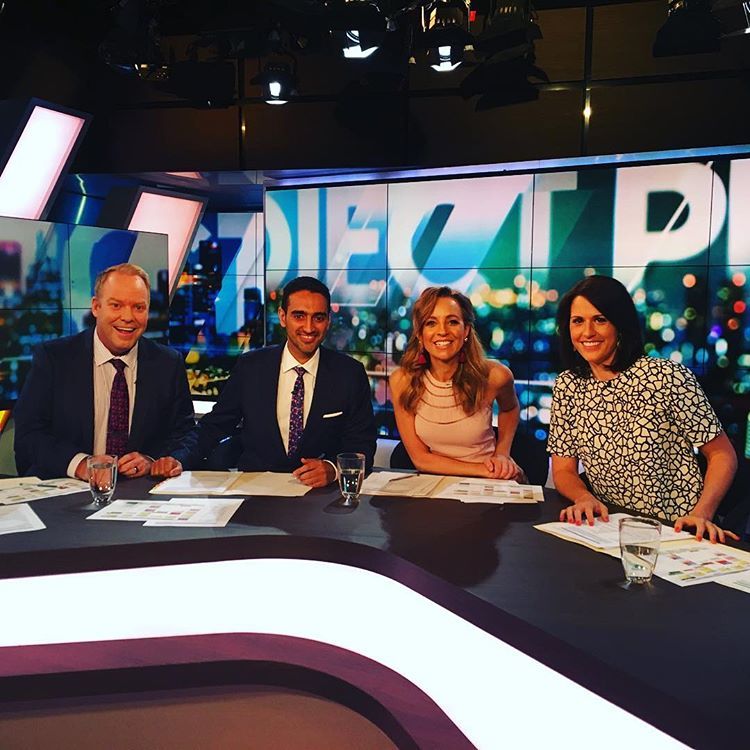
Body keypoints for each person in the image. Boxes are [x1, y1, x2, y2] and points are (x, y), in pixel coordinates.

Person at [547, 275, 738, 543]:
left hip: (677, 530)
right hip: (609, 529)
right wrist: (583, 497)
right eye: (578, 321)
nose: (587, 332)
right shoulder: (568, 385)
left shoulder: (666, 377)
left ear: (620, 325)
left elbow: (722, 455)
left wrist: (702, 514)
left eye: (600, 320)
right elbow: (563, 470)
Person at [184, 276, 376, 488]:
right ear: (283, 317)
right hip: (256, 494)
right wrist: (177, 460)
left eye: (318, 318)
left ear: (328, 320)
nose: (309, 327)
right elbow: (214, 426)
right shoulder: (251, 367)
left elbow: (363, 444)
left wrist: (333, 469)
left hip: (318, 497)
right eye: (299, 316)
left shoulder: (349, 374)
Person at [14, 263, 194, 481]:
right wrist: (82, 465)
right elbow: (29, 434)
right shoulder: (54, 358)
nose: (128, 317)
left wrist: (153, 460)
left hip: (138, 490)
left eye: (139, 307)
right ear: (96, 307)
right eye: (116, 305)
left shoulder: (168, 363)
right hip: (67, 487)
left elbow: (184, 434)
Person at [389, 286, 523, 479]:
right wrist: (484, 470)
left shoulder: (495, 375)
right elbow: (420, 459)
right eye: (431, 323)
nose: (442, 331)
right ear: (419, 333)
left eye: (452, 322)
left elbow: (510, 409)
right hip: (437, 482)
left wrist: (502, 453)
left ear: (466, 329)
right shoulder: (402, 381)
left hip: (490, 483)